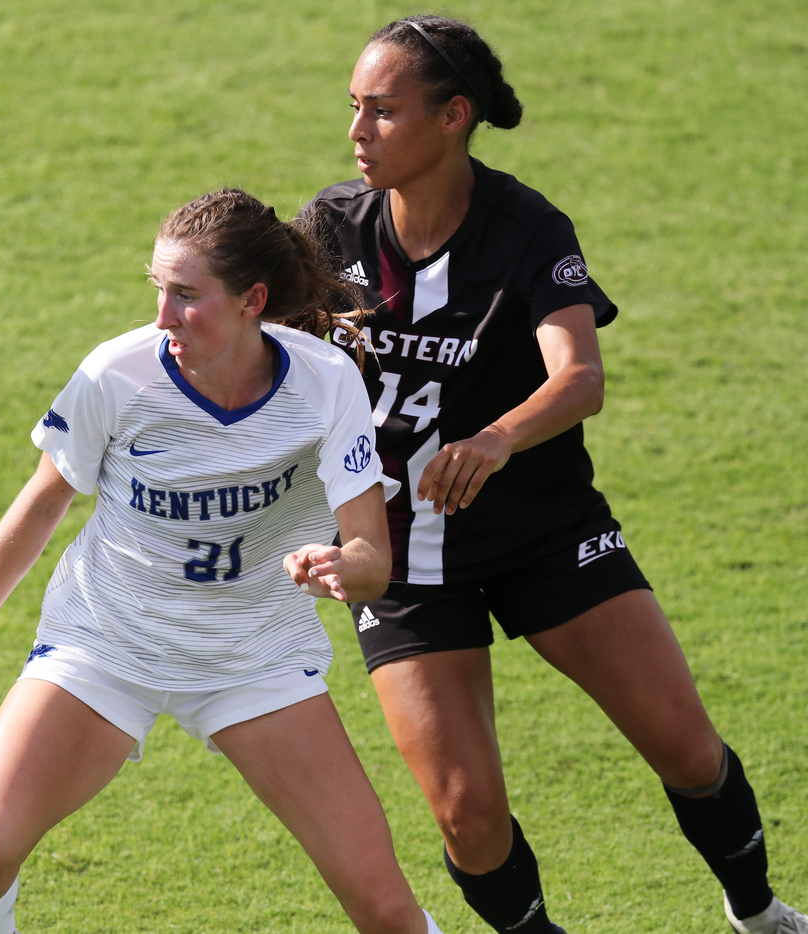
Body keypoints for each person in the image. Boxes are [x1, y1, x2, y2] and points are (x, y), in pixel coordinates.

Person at [298, 15, 806, 934]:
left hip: (544, 531)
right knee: (467, 815)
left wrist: (495, 438)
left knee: (688, 750)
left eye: (382, 110)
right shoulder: (331, 230)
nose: (358, 131)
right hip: (401, 559)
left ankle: (758, 911)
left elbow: (578, 376)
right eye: (353, 110)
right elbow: (269, 359)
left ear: (454, 117)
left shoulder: (526, 227)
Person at [0, 189, 445, 934]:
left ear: (253, 300)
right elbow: (41, 503)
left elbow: (372, 563)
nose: (163, 316)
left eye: (186, 296)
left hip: (253, 659)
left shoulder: (326, 384)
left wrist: (338, 567)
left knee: (386, 910)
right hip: (108, 645)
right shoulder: (117, 375)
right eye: (158, 289)